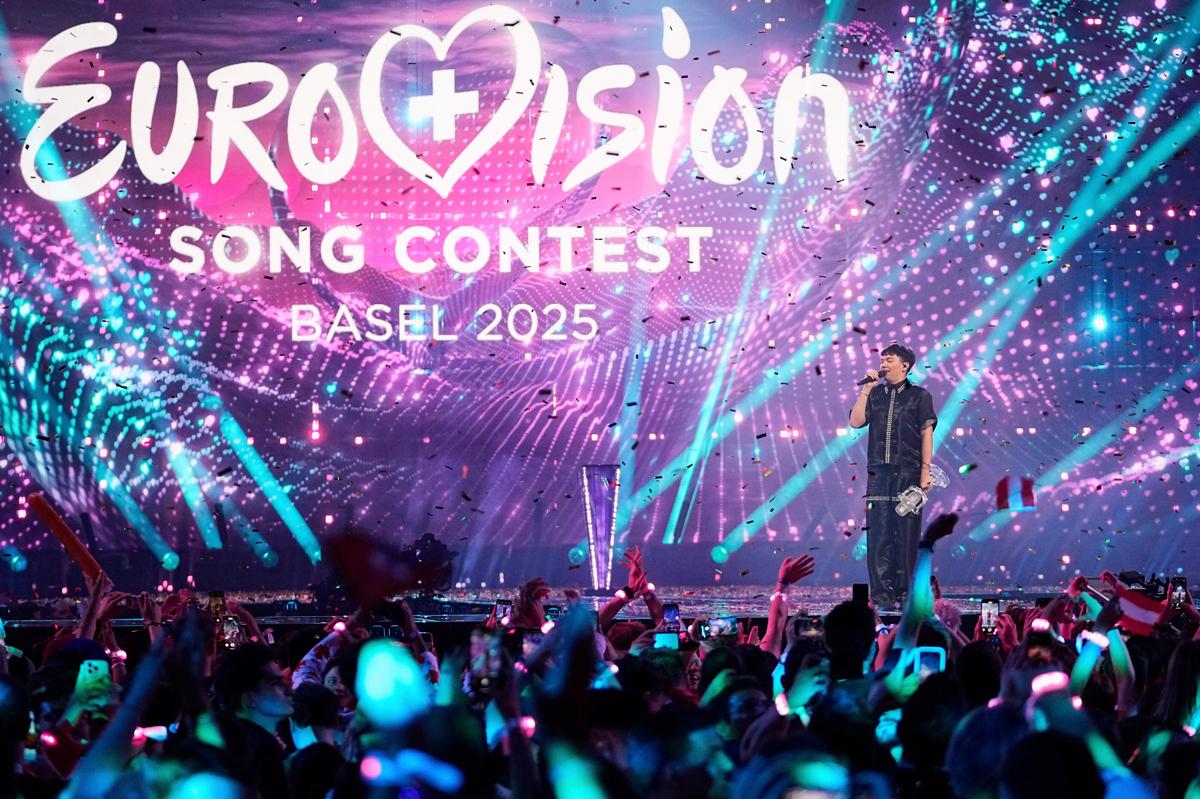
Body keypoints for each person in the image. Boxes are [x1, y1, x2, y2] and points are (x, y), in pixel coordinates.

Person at [848, 342, 938, 610]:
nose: (883, 364)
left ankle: (905, 593)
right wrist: (866, 390)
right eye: (882, 360)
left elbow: (926, 434)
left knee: (906, 534)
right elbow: (855, 422)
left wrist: (925, 470)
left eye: (889, 360)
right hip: (878, 473)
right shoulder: (875, 394)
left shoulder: (920, 396)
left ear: (905, 365)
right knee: (878, 535)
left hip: (908, 472)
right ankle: (881, 596)